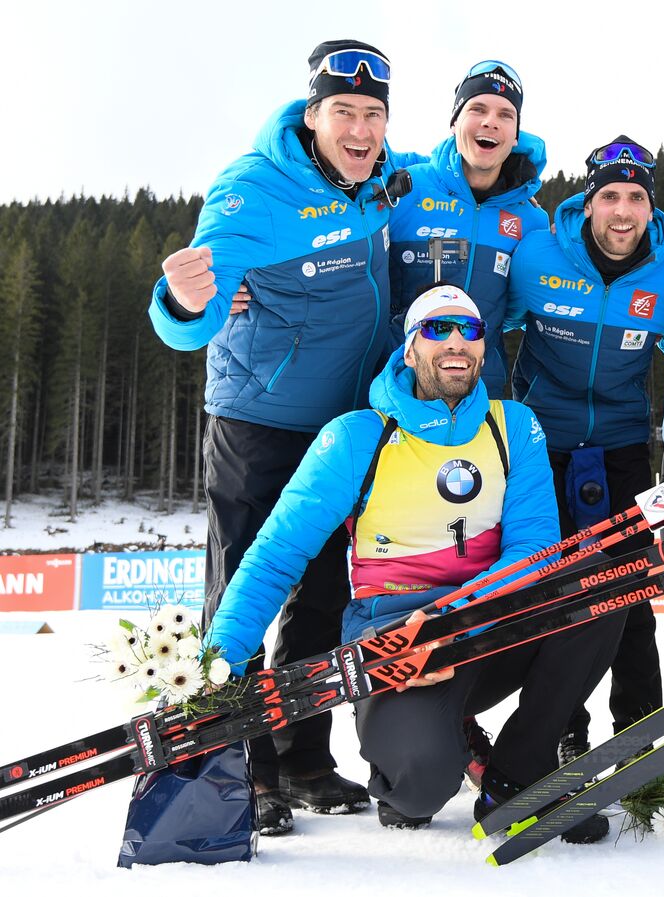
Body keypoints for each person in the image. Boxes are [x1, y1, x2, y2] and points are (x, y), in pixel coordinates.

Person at [205, 282, 620, 844]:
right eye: (437, 328)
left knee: (600, 586)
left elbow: (533, 551)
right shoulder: (356, 437)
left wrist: (454, 622)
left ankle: (518, 775)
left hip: (485, 627)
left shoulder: (513, 427)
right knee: (418, 794)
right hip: (395, 642)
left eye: (469, 330)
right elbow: (276, 556)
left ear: (483, 347)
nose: (456, 341)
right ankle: (418, 751)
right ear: (408, 348)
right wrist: (220, 659)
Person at [147, 39, 409, 835]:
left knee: (323, 596)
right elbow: (185, 318)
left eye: (373, 114)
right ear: (311, 114)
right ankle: (239, 768)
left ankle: (302, 758)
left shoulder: (386, 178)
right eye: (344, 114)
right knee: (241, 597)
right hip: (257, 419)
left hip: (342, 427)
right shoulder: (252, 191)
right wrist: (184, 301)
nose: (360, 131)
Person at [505, 136, 664, 762]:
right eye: (609, 195)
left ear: (650, 209)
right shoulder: (536, 256)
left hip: (621, 448)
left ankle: (641, 732)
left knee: (633, 592)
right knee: (551, 593)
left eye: (635, 198)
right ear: (587, 203)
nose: (622, 211)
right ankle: (559, 729)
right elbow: (480, 317)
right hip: (540, 446)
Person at [389, 60, 548, 397]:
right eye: (478, 109)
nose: (491, 121)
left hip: (480, 392)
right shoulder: (405, 189)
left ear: (516, 134)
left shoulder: (531, 220)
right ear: (454, 121)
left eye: (506, 115)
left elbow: (516, 309)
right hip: (398, 388)